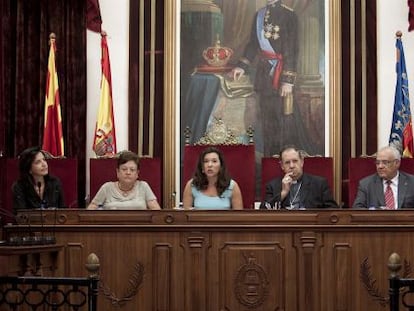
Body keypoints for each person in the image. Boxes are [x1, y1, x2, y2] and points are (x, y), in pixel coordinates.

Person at [231, 0, 316, 156]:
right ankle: (269, 158)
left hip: (281, 77)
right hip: (264, 77)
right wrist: (241, 66)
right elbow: (253, 44)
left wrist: (287, 81)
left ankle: (285, 158)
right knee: (267, 120)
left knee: (283, 119)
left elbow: (292, 50)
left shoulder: (289, 15)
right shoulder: (259, 15)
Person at [261, 145, 338, 209]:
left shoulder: (319, 184)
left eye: (295, 161)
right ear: (282, 166)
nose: (292, 166)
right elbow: (263, 212)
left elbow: (332, 211)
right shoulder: (272, 186)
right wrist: (283, 193)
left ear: (302, 162)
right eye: (287, 162)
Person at [87, 151, 161, 210]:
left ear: (137, 174)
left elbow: (156, 213)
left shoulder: (143, 187)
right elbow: (90, 211)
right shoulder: (107, 188)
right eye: (124, 169)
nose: (128, 173)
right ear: (118, 172)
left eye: (132, 170)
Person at [12, 146, 65, 211]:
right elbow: (20, 214)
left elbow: (63, 211)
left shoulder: (54, 183)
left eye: (44, 160)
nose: (44, 164)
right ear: (29, 169)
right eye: (38, 162)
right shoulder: (19, 187)